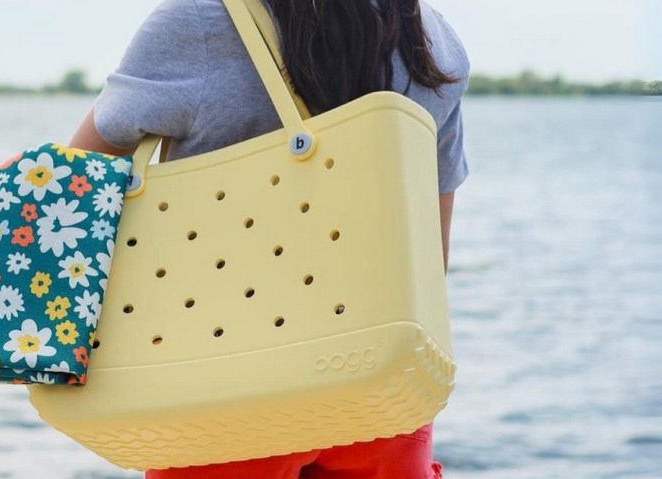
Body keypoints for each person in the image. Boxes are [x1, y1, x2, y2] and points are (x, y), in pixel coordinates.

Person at [68, 0, 469, 477]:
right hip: (379, 394)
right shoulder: (432, 41)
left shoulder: (198, 23)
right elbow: (431, 258)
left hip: (225, 396)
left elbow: (72, 195)